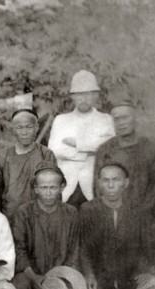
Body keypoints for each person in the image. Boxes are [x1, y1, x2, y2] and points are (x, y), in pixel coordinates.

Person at [79, 163, 155, 289]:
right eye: (106, 180)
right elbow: (84, 248)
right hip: (101, 276)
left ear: (125, 183)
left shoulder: (138, 211)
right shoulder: (88, 209)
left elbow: (147, 246)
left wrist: (146, 269)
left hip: (129, 276)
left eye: (116, 180)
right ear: (99, 183)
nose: (111, 185)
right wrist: (88, 274)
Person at [10, 161, 80, 289]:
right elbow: (20, 249)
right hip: (32, 273)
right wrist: (34, 277)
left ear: (62, 187)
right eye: (44, 187)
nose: (48, 192)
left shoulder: (71, 213)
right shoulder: (24, 213)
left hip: (62, 273)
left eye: (53, 187)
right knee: (21, 287)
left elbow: (74, 250)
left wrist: (62, 277)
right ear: (35, 188)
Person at [48, 70, 114, 208]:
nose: (83, 98)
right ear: (72, 96)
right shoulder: (61, 120)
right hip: (66, 188)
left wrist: (77, 144)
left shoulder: (106, 120)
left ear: (95, 95)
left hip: (93, 187)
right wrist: (90, 151)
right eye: (79, 94)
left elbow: (108, 147)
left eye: (88, 94)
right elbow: (54, 150)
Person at [94, 100, 155, 222]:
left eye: (125, 118)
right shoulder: (105, 150)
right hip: (114, 218)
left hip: (146, 219)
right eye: (116, 119)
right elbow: (99, 187)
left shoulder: (151, 149)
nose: (121, 123)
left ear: (135, 118)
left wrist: (141, 214)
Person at [0, 109, 56, 218]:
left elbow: (54, 188)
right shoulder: (3, 155)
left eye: (29, 127)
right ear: (13, 129)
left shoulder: (46, 154)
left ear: (36, 128)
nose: (24, 132)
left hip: (38, 216)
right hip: (10, 215)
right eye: (19, 128)